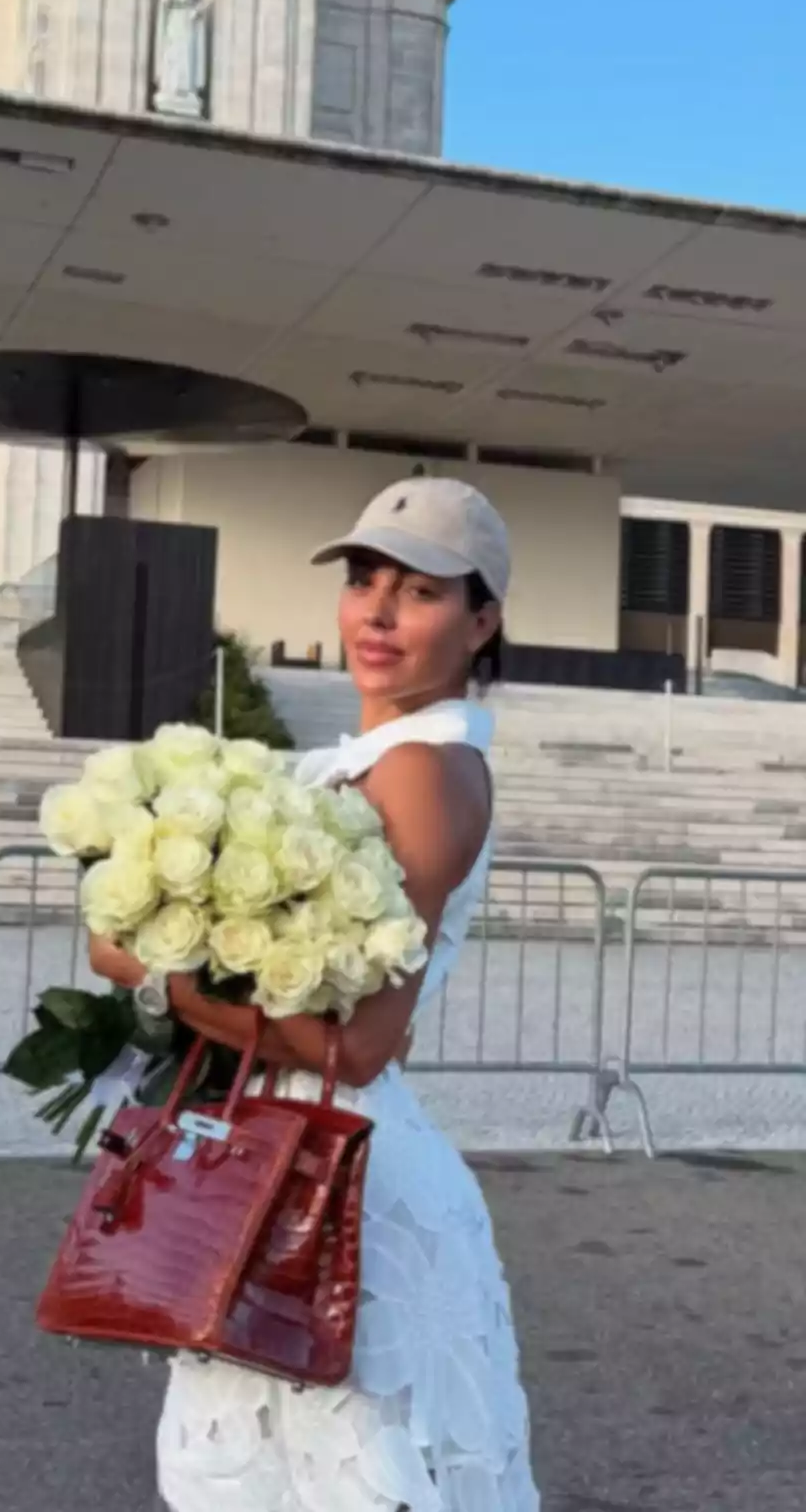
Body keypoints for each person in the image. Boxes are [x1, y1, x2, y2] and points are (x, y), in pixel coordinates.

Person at [89, 477, 541, 1512]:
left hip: (337, 1179)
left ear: (482, 621)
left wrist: (156, 971)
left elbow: (365, 1042)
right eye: (364, 579)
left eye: (419, 590)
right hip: (290, 1152)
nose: (378, 612)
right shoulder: (367, 759)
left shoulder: (425, 771)